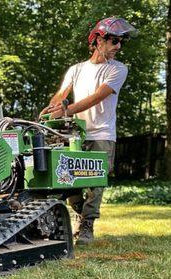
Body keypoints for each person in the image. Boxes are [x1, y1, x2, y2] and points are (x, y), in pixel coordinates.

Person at [40, 17, 138, 245]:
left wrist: (65, 111)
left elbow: (97, 97)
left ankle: (87, 226)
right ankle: (79, 212)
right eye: (114, 41)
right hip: (75, 133)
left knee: (95, 182)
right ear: (97, 40)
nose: (118, 47)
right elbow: (61, 94)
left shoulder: (118, 69)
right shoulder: (77, 69)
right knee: (67, 178)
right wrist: (54, 106)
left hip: (102, 134)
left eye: (120, 43)